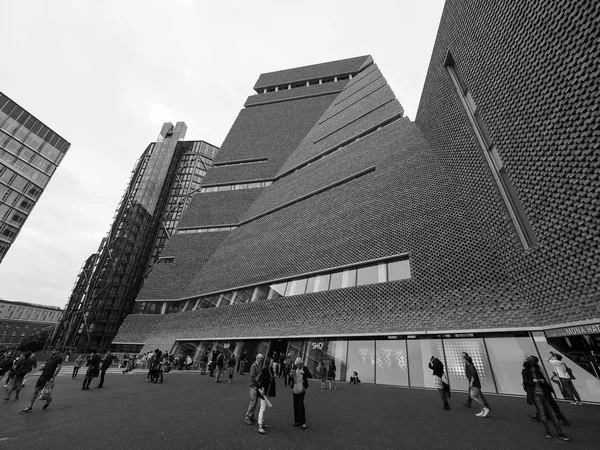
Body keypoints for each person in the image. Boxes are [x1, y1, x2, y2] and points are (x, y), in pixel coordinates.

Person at [522, 356, 569, 441]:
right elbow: (525, 382)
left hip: (545, 392)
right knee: (544, 412)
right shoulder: (527, 371)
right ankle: (548, 429)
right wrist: (533, 382)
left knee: (552, 411)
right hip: (537, 394)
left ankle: (560, 428)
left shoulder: (538, 369)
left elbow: (544, 378)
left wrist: (542, 381)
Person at [20, 347, 62, 413]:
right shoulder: (49, 357)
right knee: (35, 391)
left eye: (55, 350)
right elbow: (46, 365)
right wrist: (42, 368)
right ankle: (29, 407)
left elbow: (58, 368)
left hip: (49, 376)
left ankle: (49, 399)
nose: (53, 351)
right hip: (42, 376)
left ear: (58, 351)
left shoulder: (59, 358)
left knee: (45, 392)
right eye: (53, 350)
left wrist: (53, 377)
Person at [289, 357, 312, 430]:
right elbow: (291, 377)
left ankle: (303, 422)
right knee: (295, 404)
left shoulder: (305, 368)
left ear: (302, 364)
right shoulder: (295, 368)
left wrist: (304, 373)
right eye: (297, 365)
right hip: (295, 387)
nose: (298, 366)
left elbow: (310, 376)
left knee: (300, 404)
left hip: (302, 388)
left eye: (299, 365)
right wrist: (291, 376)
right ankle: (298, 420)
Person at [245, 353, 264, 425]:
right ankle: (247, 417)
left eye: (262, 358)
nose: (262, 360)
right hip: (253, 385)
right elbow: (253, 376)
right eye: (261, 358)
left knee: (255, 402)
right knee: (253, 401)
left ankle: (251, 415)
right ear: (257, 358)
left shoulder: (260, 365)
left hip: (257, 385)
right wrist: (259, 379)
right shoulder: (254, 366)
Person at [257, 358, 273, 434]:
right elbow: (263, 380)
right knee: (262, 407)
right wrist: (263, 389)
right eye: (271, 362)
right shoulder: (265, 370)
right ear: (268, 363)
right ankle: (260, 426)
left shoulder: (268, 370)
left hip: (265, 390)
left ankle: (262, 423)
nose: (272, 363)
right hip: (263, 391)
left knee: (263, 407)